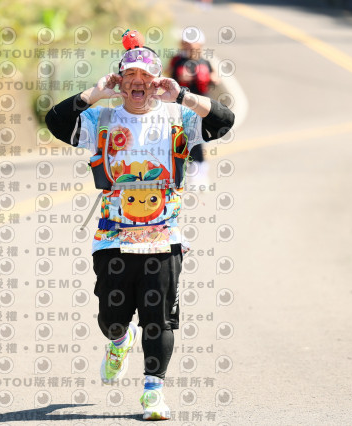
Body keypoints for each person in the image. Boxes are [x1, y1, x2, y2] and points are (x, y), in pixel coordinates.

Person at [45, 29, 233, 421]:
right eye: (130, 75)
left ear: (156, 81)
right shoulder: (101, 118)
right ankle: (119, 340)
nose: (138, 82)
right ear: (120, 80)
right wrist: (95, 93)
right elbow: (56, 122)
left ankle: (153, 393)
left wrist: (182, 95)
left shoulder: (178, 116)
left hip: (164, 236)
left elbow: (223, 121)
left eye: (145, 76)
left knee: (158, 319)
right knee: (112, 319)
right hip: (113, 236)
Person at [169, 28, 219, 188]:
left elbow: (214, 78)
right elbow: (169, 77)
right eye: (187, 44)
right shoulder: (177, 61)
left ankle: (200, 175)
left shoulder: (205, 62)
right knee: (181, 140)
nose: (190, 47)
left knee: (197, 140)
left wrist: (212, 78)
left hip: (200, 107)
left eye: (193, 44)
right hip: (181, 107)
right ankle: (184, 175)